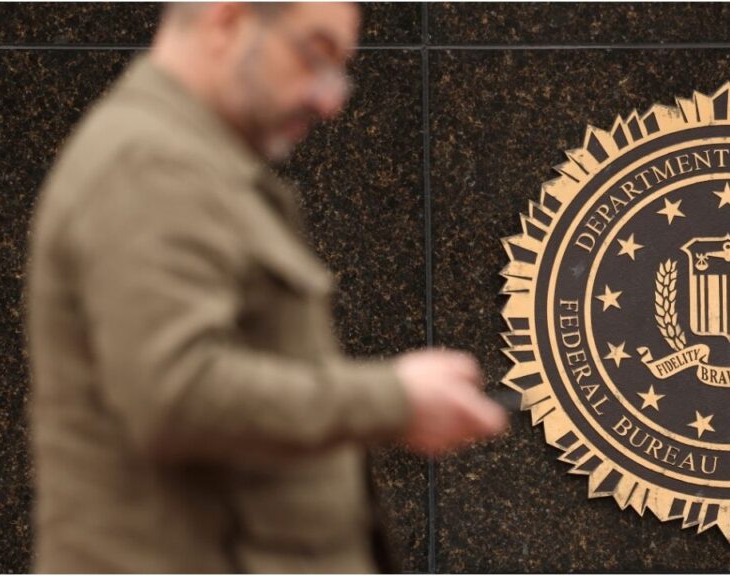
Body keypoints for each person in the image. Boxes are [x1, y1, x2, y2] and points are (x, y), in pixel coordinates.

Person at [25, 3, 507, 572]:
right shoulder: (149, 165)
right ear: (227, 22)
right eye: (314, 55)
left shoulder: (189, 161)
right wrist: (393, 401)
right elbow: (175, 394)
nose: (330, 100)